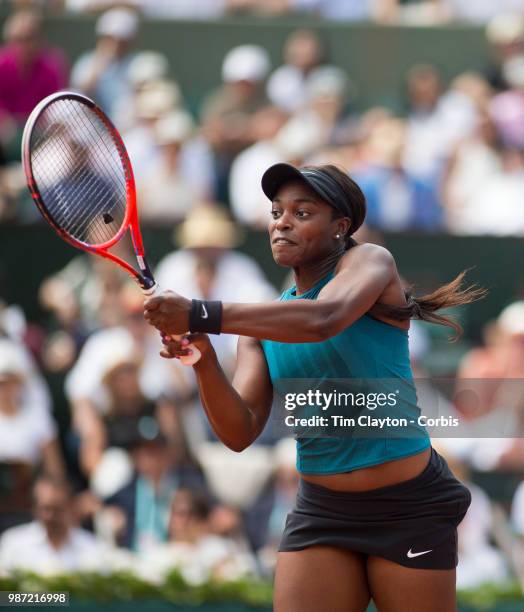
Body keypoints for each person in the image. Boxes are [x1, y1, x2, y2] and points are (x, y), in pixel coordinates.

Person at [144, 162, 483, 611]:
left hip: (408, 507)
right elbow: (239, 432)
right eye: (276, 211)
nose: (282, 221)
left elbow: (323, 319)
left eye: (302, 213)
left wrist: (200, 313)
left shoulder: (371, 261)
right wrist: (204, 359)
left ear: (340, 227)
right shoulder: (260, 327)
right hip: (322, 510)